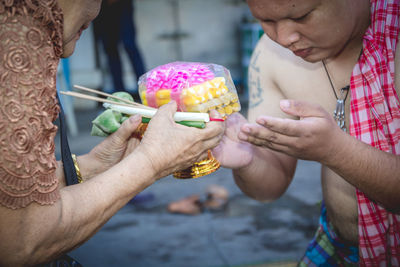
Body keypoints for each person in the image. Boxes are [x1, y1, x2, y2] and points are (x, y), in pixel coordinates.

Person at [0, 0, 224, 265]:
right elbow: (22, 242)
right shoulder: (17, 31)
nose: (101, 9)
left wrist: (95, 164)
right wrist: (151, 163)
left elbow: (14, 196)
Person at [213, 0, 400, 266]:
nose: (284, 38)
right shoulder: (270, 53)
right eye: (266, 21)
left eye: (302, 16)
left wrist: (335, 151)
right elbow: (269, 188)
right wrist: (246, 158)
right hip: (336, 245)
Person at [93, 0, 146, 93]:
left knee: (129, 45)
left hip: (122, 3)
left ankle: (144, 88)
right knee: (110, 49)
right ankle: (119, 91)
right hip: (101, 7)